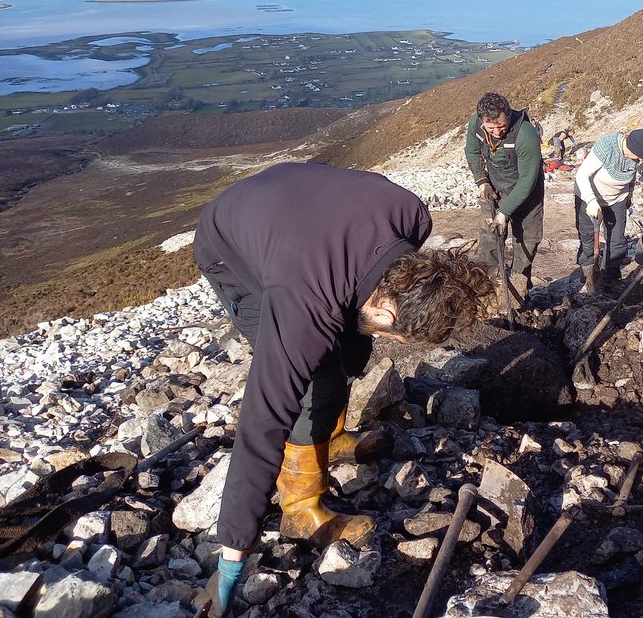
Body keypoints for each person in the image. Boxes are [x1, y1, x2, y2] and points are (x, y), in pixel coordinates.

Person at [193, 162, 495, 616]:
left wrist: (352, 351)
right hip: (230, 242)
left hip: (292, 205)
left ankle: (328, 440)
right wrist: (233, 552)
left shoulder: (411, 217)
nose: (388, 340)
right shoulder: (302, 302)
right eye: (394, 336)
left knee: (346, 347)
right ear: (392, 315)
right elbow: (263, 418)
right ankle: (300, 504)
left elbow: (358, 314)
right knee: (315, 380)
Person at [464, 92, 544, 303]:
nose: (498, 132)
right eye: (492, 128)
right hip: (495, 187)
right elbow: (472, 152)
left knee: (527, 241)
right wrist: (482, 181)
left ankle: (518, 293)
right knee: (490, 239)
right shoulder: (476, 125)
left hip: (527, 194)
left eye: (502, 125)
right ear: (482, 121)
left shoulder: (525, 134)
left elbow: (527, 181)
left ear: (508, 115)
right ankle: (491, 290)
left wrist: (504, 212)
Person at [574, 128, 643, 291]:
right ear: (631, 146)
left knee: (617, 241)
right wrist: (591, 200)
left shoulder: (635, 158)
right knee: (588, 236)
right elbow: (582, 175)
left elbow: (631, 177)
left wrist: (629, 195)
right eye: (639, 156)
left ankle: (609, 277)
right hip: (589, 197)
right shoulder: (607, 147)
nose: (640, 161)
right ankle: (588, 272)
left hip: (616, 199)